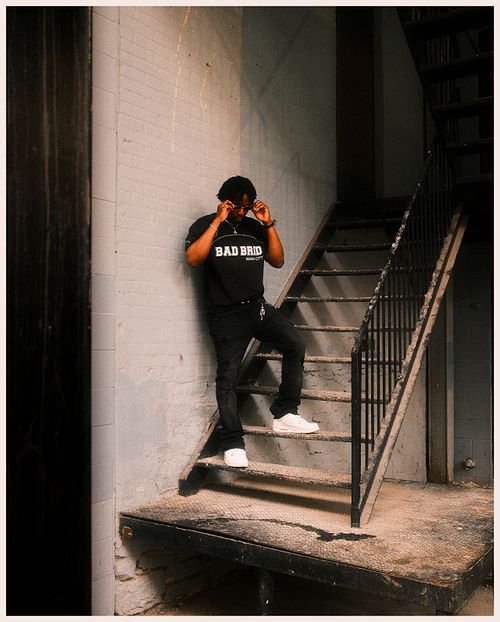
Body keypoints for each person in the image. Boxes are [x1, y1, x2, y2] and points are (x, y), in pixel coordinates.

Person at [185, 176, 319, 468]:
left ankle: (285, 413)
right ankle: (232, 443)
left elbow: (278, 261)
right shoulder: (204, 225)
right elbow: (194, 259)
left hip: (257, 309)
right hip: (225, 316)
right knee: (228, 378)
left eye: (245, 207)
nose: (240, 212)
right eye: (235, 206)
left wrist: (267, 223)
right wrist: (217, 220)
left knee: (295, 345)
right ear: (223, 201)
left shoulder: (254, 227)